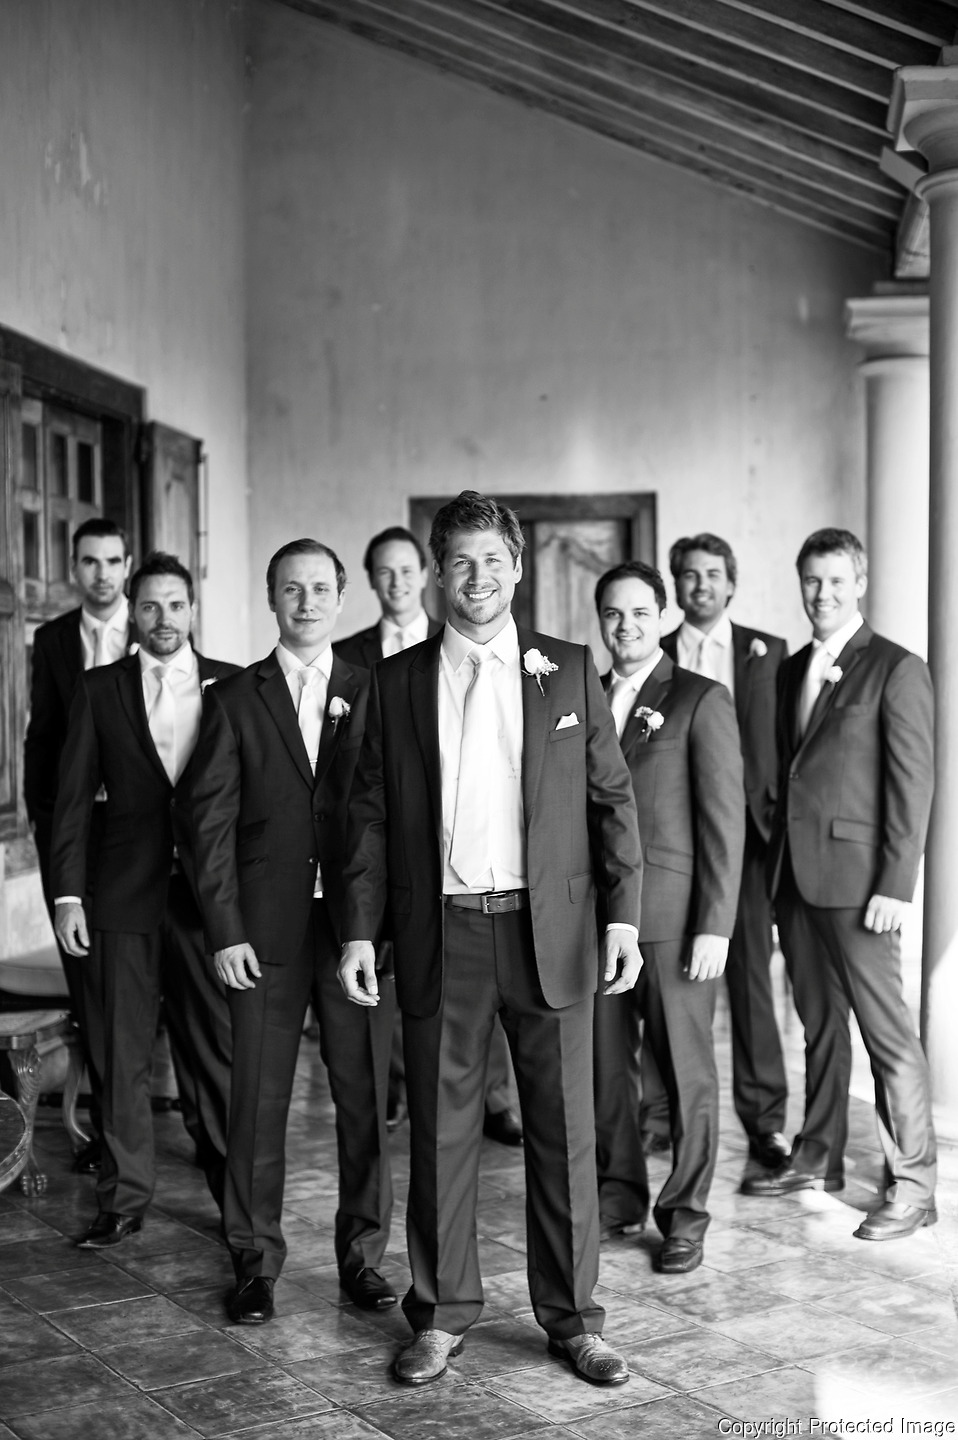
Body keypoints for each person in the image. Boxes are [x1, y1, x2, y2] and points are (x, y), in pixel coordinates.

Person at [338, 490, 643, 1388]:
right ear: (439, 573)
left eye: (493, 561)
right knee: (441, 1135)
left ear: (517, 568)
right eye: (461, 562)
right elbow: (366, 818)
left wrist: (624, 917)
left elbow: (611, 801)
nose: (478, 577)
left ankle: (575, 1320)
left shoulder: (568, 669)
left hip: (554, 935)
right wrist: (358, 934)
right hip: (444, 932)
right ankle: (439, 1317)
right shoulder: (395, 680)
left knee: (564, 1135)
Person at [190, 539, 395, 1326]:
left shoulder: (374, 690)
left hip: (354, 932)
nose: (305, 602)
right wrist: (225, 930)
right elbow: (206, 825)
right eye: (290, 589)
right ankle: (254, 1263)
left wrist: (372, 927)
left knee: (363, 1096)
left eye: (319, 588)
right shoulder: (234, 698)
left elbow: (387, 815)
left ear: (341, 598)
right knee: (256, 1100)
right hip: (262, 931)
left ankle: (363, 1259)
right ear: (272, 598)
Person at [744, 528, 937, 1242]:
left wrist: (896, 883)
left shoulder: (896, 668)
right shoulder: (793, 669)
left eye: (834, 581)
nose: (821, 594)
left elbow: (913, 785)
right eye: (811, 581)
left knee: (888, 1035)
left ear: (859, 583)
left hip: (862, 889)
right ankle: (817, 1156)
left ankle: (913, 1185)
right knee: (819, 1027)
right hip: (795, 881)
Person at [51, 551, 236, 1248]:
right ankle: (123, 1198)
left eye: (176, 605)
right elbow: (71, 802)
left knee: (213, 1052)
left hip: (207, 903)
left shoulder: (235, 684)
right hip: (120, 896)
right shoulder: (100, 688)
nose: (164, 618)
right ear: (133, 610)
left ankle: (235, 1196)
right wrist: (68, 896)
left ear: (193, 610)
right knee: (119, 1050)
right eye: (151, 605)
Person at [335, 524, 522, 1145]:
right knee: (415, 1007)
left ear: (425, 575)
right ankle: (401, 1091)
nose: (397, 581)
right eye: (384, 571)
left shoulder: (494, 641)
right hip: (418, 875)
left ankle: (496, 1098)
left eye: (405, 569)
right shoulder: (363, 663)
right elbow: (368, 794)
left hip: (506, 887)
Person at [593, 561, 744, 1273]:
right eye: (613, 614)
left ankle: (685, 1215)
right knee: (605, 1070)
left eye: (639, 613)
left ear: (662, 618)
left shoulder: (699, 698)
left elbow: (723, 822)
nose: (625, 626)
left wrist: (715, 923)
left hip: (676, 922)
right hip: (598, 921)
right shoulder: (583, 697)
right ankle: (618, 1195)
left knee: (687, 1073)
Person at [662, 533, 790, 1171]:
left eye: (713, 574)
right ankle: (658, 1114)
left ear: (731, 583)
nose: (701, 584)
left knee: (750, 984)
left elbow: (788, 746)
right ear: (675, 585)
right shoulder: (654, 653)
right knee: (664, 984)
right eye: (690, 574)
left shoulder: (771, 653)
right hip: (672, 844)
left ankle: (765, 1121)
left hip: (751, 846)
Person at [24, 517, 132, 1173]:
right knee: (86, 981)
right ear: (74, 568)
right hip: (71, 830)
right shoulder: (53, 639)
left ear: (127, 566)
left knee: (133, 978)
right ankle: (103, 1132)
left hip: (135, 833)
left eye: (112, 561)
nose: (102, 573)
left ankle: (138, 1125)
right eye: (90, 561)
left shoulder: (156, 625)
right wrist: (46, 820)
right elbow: (41, 736)